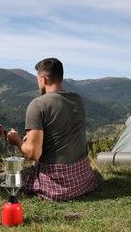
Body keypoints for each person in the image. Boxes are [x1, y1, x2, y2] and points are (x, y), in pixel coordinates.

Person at [6, 57, 98, 201]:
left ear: (43, 78)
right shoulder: (77, 99)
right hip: (83, 178)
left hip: (57, 185)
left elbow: (33, 153)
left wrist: (16, 139)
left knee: (11, 177)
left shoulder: (38, 105)